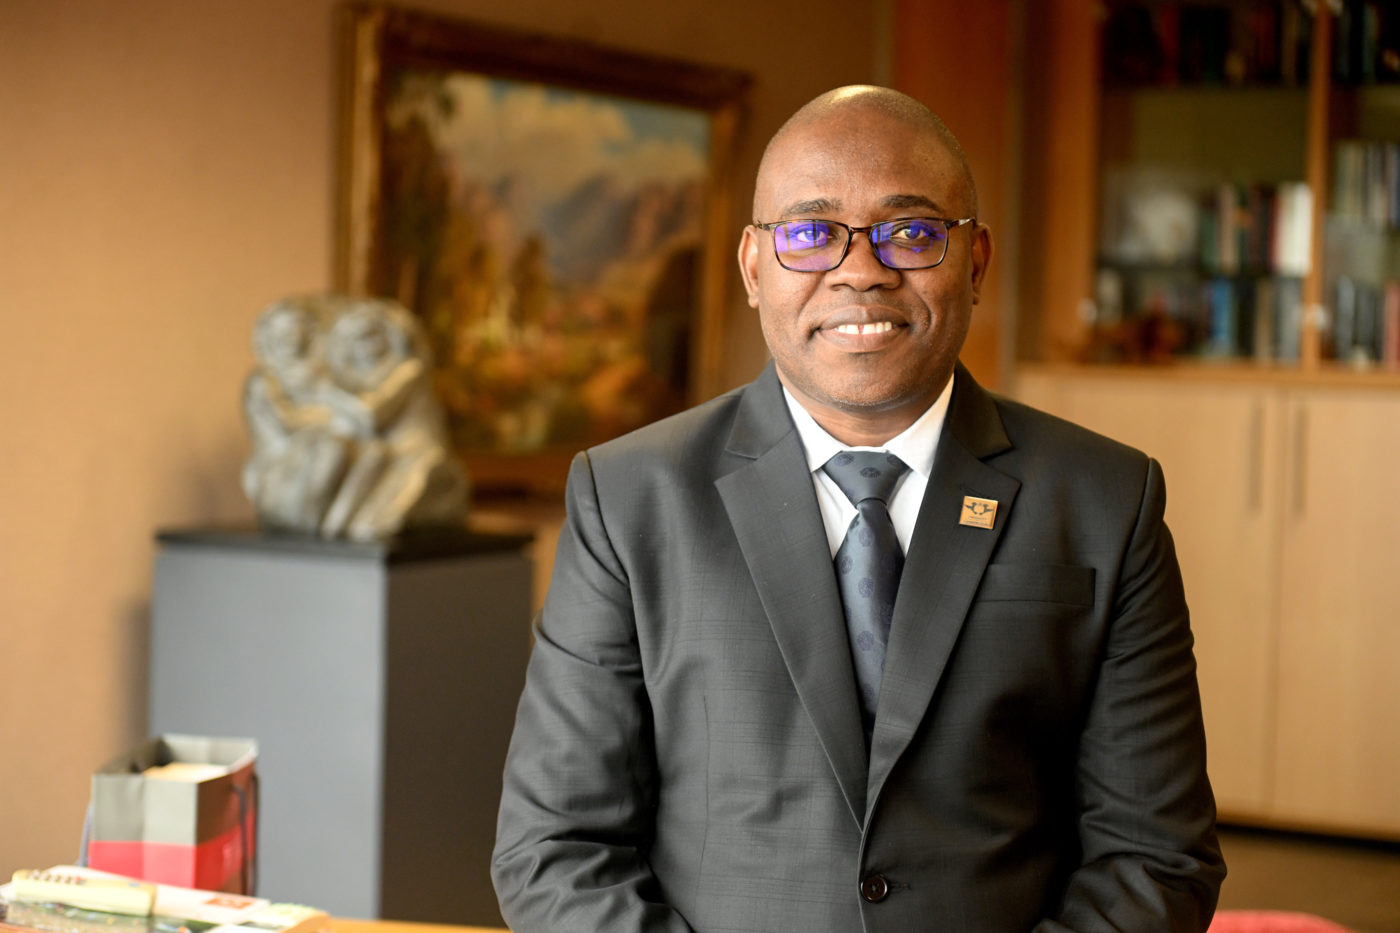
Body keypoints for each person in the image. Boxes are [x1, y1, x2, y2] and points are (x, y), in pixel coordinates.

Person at [492, 85, 1225, 932]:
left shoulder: (1105, 498)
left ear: (975, 260)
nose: (861, 269)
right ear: (753, 267)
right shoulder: (629, 499)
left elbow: (1156, 852)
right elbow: (552, 848)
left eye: (911, 232)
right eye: (810, 233)